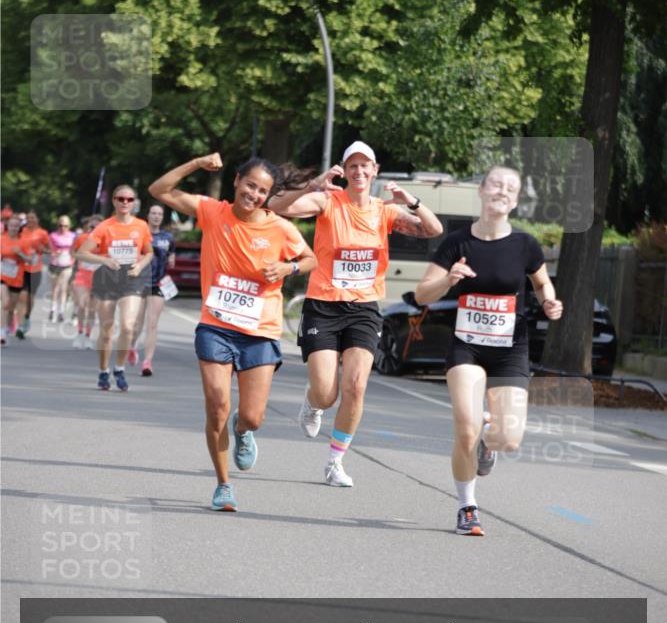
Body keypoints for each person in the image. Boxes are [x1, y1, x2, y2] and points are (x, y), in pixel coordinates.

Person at [148, 153, 317, 512]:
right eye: (250, 185)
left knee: (252, 415)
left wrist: (287, 268)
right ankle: (223, 484)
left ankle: (243, 430)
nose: (254, 194)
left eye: (262, 191)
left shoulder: (280, 227)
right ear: (237, 181)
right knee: (217, 406)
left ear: (268, 196)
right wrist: (195, 163)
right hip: (216, 327)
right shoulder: (213, 211)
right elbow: (159, 189)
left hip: (259, 330)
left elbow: (311, 259)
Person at [269, 140, 443, 487]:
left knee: (357, 386)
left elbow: (434, 229)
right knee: (326, 392)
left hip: (364, 308)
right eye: (353, 166)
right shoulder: (327, 201)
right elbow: (277, 206)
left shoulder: (385, 211)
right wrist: (314, 183)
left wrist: (412, 201)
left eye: (366, 166)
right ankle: (313, 403)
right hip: (323, 305)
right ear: (345, 171)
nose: (359, 172)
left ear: (375, 171)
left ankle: (335, 461)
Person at [415, 165, 563, 536]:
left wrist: (550, 302)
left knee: (507, 438)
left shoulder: (525, 245)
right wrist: (448, 280)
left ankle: (488, 441)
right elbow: (422, 294)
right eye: (496, 183)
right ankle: (467, 507)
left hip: (510, 348)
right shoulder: (457, 243)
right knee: (464, 428)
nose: (502, 190)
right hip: (466, 345)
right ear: (481, 190)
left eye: (510, 187)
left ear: (515, 200)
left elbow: (543, 283)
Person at [75, 186, 153, 391]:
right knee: (107, 330)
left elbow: (148, 253)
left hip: (131, 279)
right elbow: (82, 253)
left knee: (128, 326)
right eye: (121, 198)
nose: (125, 202)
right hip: (107, 279)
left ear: (134, 202)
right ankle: (103, 370)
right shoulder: (105, 226)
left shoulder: (141, 226)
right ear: (115, 201)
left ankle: (119, 368)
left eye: (129, 199)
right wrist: (104, 260)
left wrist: (140, 265)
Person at [127, 203, 177, 376]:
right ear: (147, 215)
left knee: (152, 324)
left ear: (162, 217)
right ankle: (132, 346)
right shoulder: (140, 235)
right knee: (137, 323)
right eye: (153, 213)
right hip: (140, 283)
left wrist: (171, 260)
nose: (156, 216)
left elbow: (172, 255)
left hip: (159, 283)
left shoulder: (168, 237)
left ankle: (147, 362)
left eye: (160, 214)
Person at [17, 210, 50, 338]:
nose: (30, 220)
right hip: (22, 268)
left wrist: (43, 249)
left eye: (33, 218)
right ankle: (20, 325)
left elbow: (49, 250)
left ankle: (27, 317)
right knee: (22, 297)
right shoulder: (21, 231)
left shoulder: (42, 233)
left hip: (36, 269)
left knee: (30, 298)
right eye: (28, 218)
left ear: (37, 220)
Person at [71, 215, 103, 349]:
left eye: (96, 228)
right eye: (91, 227)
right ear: (87, 227)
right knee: (82, 305)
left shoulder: (105, 240)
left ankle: (88, 336)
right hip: (83, 275)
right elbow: (72, 252)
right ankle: (79, 334)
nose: (93, 230)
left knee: (92, 309)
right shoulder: (82, 238)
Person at [1, 215, 30, 344]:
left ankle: (6, 328)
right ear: (7, 226)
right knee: (5, 303)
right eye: (11, 225)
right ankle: (1, 332)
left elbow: (31, 260)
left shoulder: (23, 242)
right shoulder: (1, 239)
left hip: (16, 278)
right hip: (2, 276)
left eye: (16, 226)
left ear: (19, 228)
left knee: (11, 307)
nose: (13, 228)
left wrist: (20, 253)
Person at [47, 215, 76, 322]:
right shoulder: (53, 236)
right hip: (55, 264)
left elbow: (75, 250)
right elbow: (50, 250)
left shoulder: (73, 236)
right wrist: (55, 253)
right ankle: (52, 309)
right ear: (57, 225)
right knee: (55, 288)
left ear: (69, 226)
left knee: (64, 288)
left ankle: (61, 312)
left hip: (67, 264)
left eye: (65, 226)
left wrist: (72, 259)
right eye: (60, 225)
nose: (63, 228)